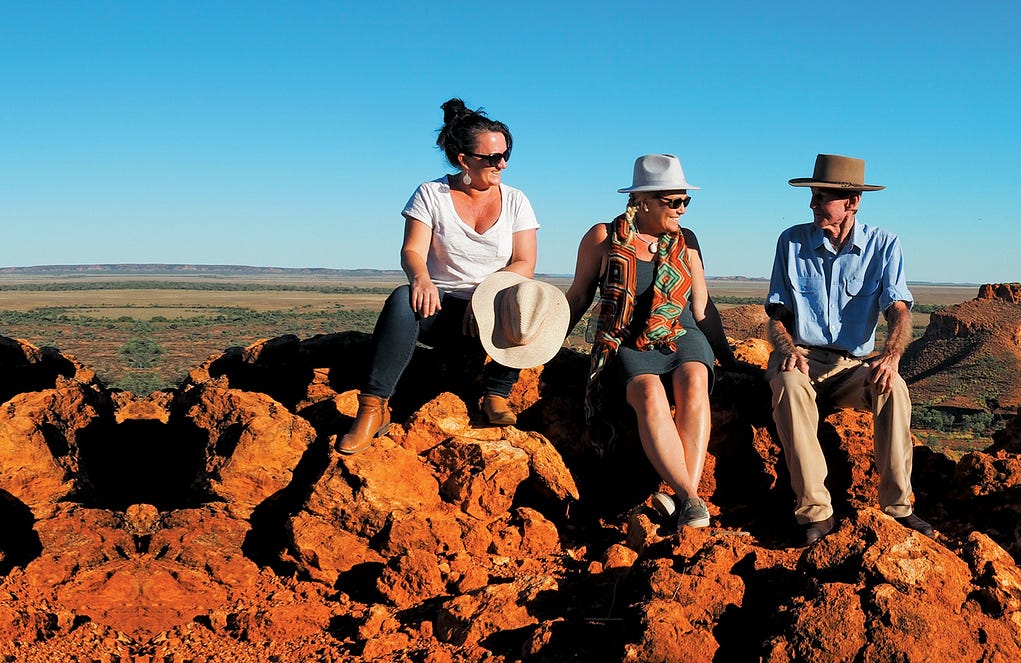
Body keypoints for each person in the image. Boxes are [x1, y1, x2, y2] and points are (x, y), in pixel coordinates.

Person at [338, 98, 559, 454]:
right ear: (463, 160)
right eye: (492, 158)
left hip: (492, 317)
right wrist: (421, 278)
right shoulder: (431, 193)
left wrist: (486, 295)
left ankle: (496, 394)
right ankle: (373, 408)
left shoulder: (517, 200)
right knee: (401, 298)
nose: (501, 164)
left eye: (506, 154)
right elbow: (412, 250)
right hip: (440, 311)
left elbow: (524, 263)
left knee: (536, 299)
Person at [764, 153, 935, 545]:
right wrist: (787, 348)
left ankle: (898, 507)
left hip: (851, 365)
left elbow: (898, 308)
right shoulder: (791, 242)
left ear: (852, 202)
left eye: (821, 196)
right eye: (813, 196)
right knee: (789, 386)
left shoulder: (885, 245)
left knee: (894, 390)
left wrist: (891, 355)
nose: (812, 204)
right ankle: (816, 513)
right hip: (801, 357)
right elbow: (776, 312)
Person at [564, 154, 739, 529]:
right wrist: (547, 338)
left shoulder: (686, 241)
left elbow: (703, 306)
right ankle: (690, 499)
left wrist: (728, 358)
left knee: (693, 381)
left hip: (681, 332)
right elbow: (579, 296)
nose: (682, 210)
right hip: (625, 338)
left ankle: (685, 500)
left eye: (685, 201)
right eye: (673, 202)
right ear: (643, 201)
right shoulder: (603, 237)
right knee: (648, 393)